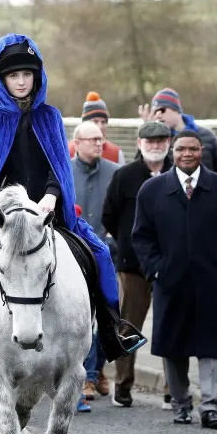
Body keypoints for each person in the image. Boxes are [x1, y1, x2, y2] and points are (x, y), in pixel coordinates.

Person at [0, 34, 144, 364]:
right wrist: (7, 205)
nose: (20, 81)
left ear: (36, 77)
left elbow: (58, 165)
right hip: (6, 214)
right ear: (2, 79)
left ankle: (114, 328)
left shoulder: (50, 117)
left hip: (48, 211)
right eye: (13, 76)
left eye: (26, 74)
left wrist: (50, 196)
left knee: (99, 252)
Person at [132, 130, 217, 429]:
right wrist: (157, 269)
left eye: (193, 149)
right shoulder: (152, 191)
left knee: (212, 346)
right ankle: (181, 403)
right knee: (174, 346)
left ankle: (211, 406)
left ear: (201, 152)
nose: (187, 154)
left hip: (212, 282)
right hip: (170, 282)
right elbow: (142, 237)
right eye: (181, 148)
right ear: (172, 151)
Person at [101, 120, 173, 408]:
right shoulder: (125, 176)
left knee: (171, 326)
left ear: (168, 143)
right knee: (128, 326)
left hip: (171, 264)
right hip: (132, 265)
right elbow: (109, 215)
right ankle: (123, 385)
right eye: (150, 141)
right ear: (140, 144)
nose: (155, 146)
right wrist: (126, 242)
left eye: (161, 141)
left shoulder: (177, 174)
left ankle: (173, 389)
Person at [70, 119, 120, 402]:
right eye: (92, 140)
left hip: (108, 253)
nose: (99, 144)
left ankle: (98, 369)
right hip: (75, 254)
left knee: (108, 313)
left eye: (101, 139)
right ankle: (86, 377)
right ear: (77, 143)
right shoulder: (63, 173)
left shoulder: (115, 173)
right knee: (83, 319)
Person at [144, 88, 217, 188]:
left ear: (176, 110)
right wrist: (149, 133)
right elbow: (144, 169)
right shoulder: (159, 142)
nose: (158, 116)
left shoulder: (207, 136)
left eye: (162, 110)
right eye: (154, 112)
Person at [67, 92, 122, 163]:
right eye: (95, 121)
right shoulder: (67, 151)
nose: (100, 126)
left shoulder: (116, 153)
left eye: (103, 122)